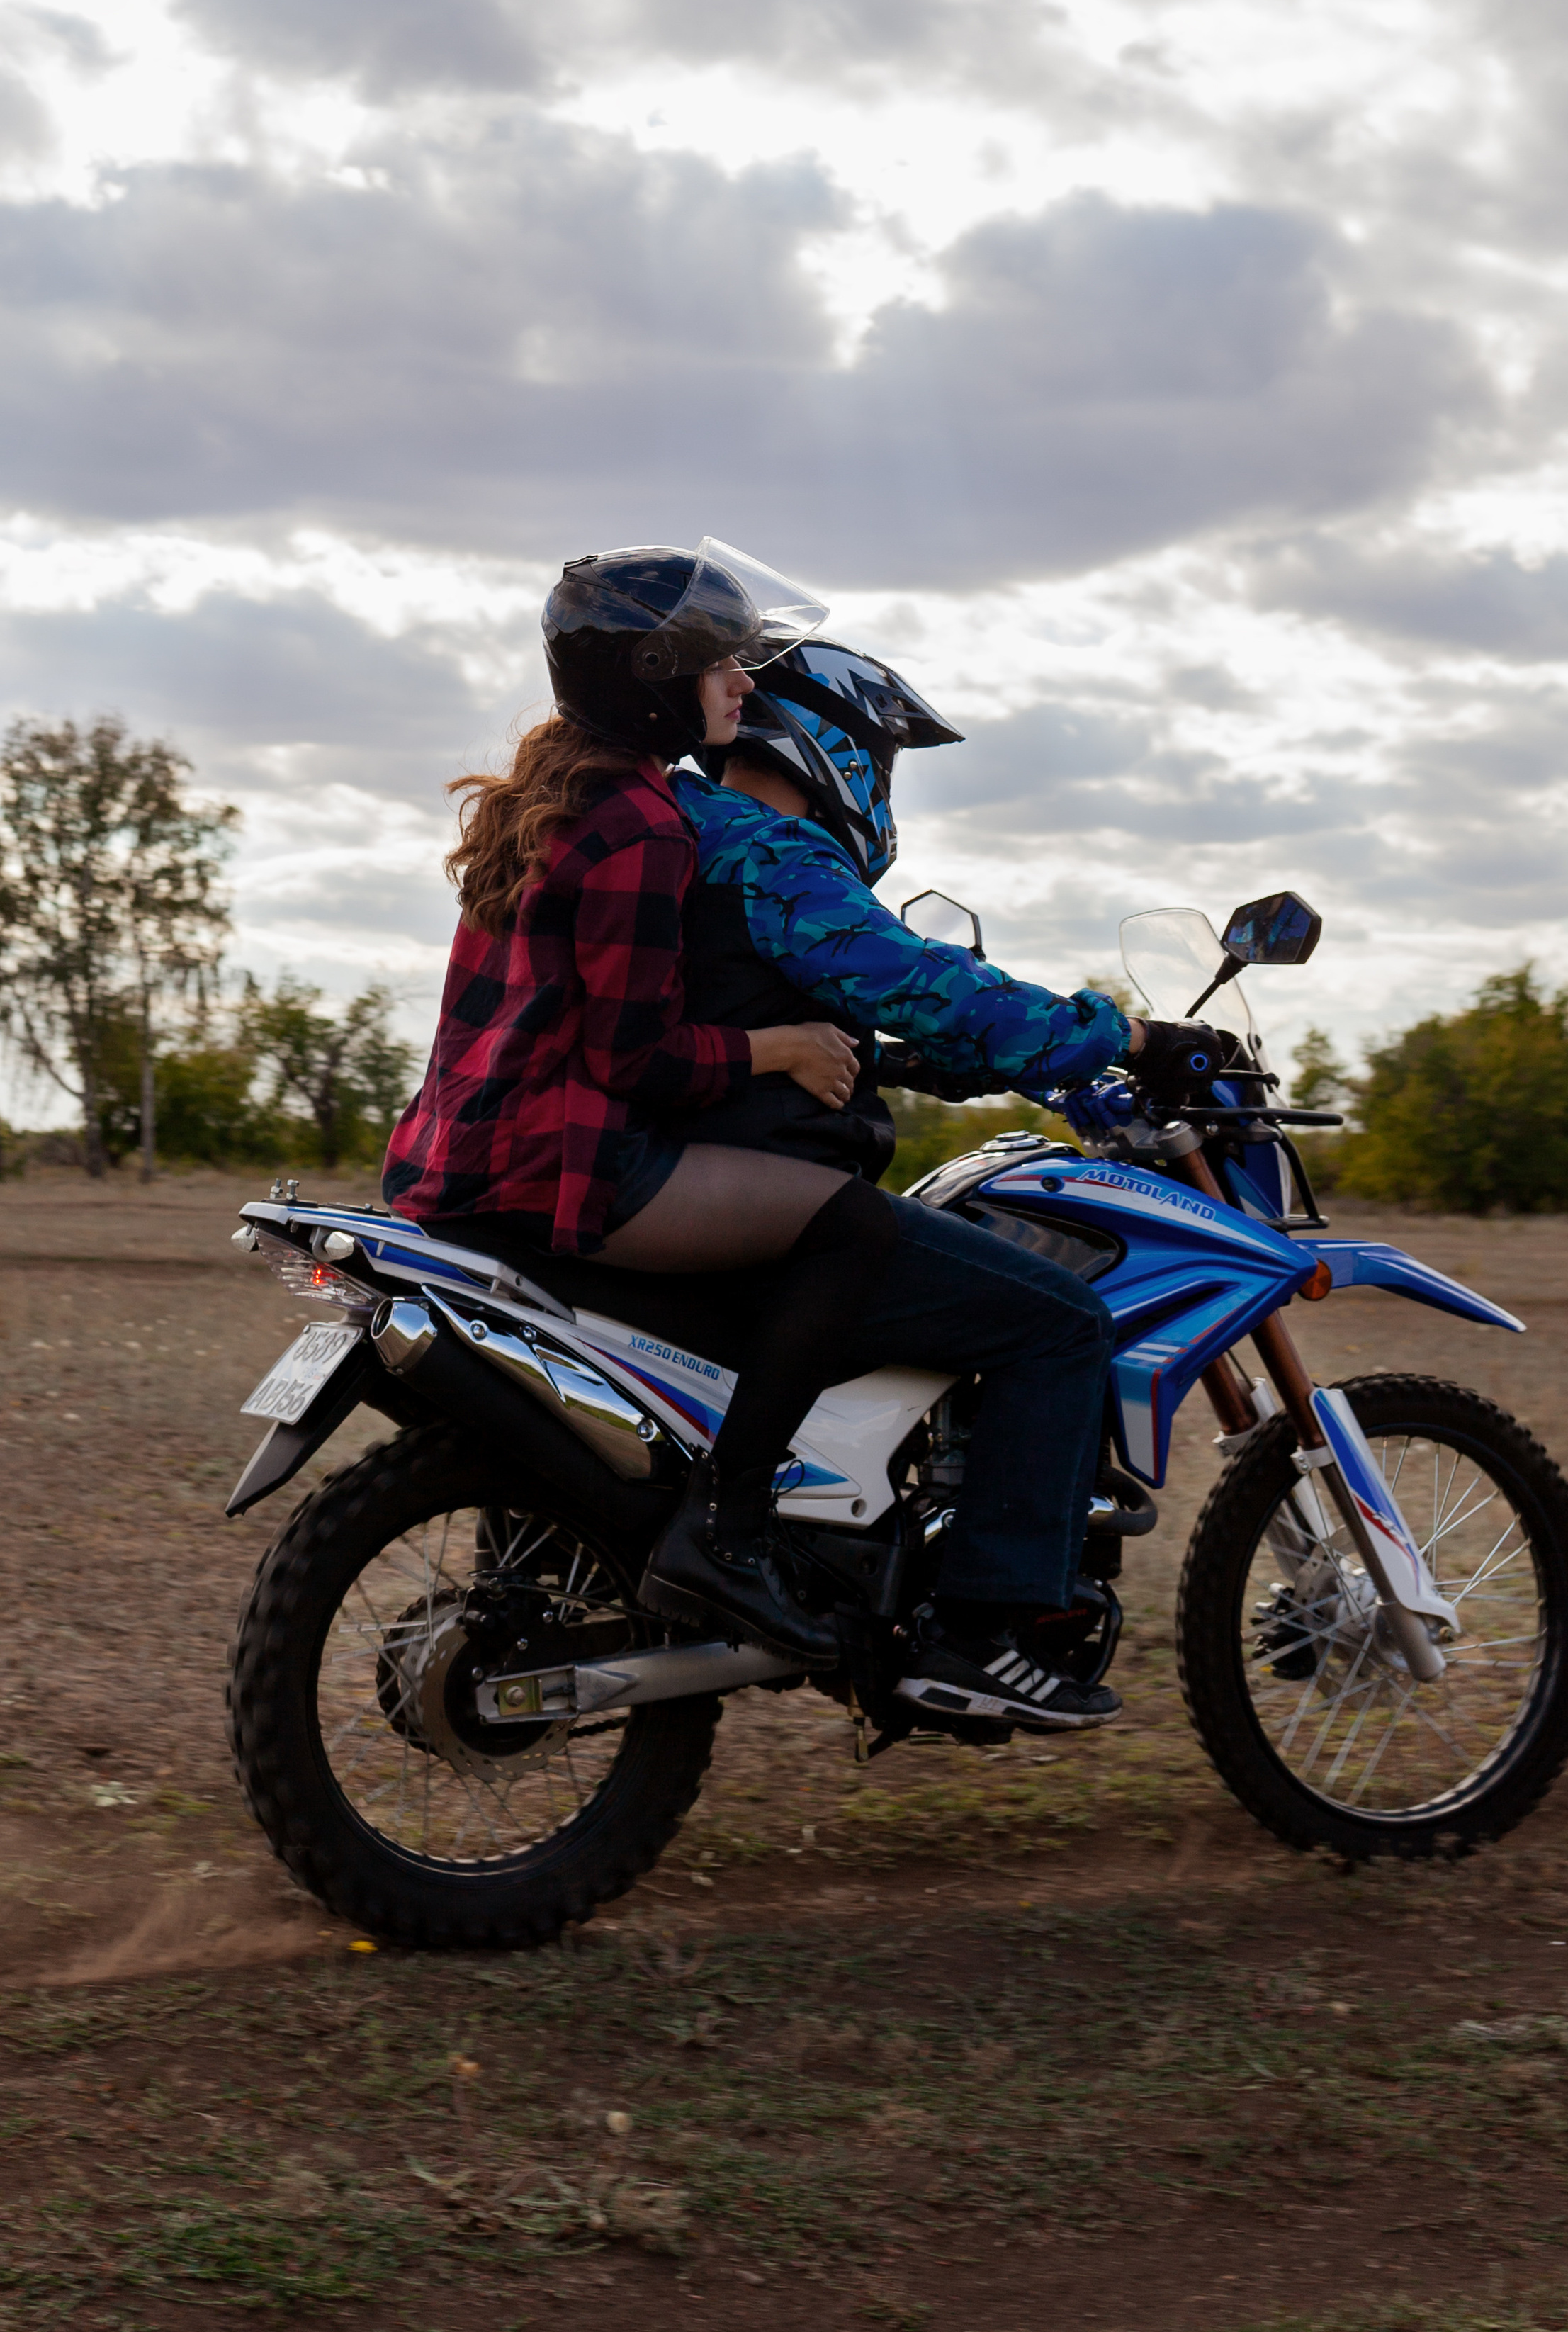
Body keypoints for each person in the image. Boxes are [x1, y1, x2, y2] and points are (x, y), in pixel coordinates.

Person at [381, 541, 904, 1669]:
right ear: (654, 675)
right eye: (722, 660)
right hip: (561, 1163)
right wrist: (784, 1048)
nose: (746, 681)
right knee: (857, 1226)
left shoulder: (544, 792)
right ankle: (732, 1527)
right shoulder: (644, 826)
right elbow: (640, 1063)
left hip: (448, 1155)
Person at [665, 637, 1169, 1733]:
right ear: (834, 748)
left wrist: (968, 1065)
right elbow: (935, 989)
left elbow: (796, 1015)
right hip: (767, 1211)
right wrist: (1115, 1030)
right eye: (883, 760)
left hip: (679, 1191)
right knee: (1061, 1325)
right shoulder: (775, 857)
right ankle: (978, 1636)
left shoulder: (685, 841)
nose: (885, 788)